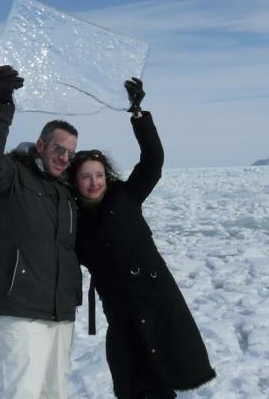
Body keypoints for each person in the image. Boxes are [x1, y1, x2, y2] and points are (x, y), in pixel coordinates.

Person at [71, 77, 216, 399]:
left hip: (158, 300)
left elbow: (152, 160)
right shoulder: (74, 220)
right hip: (121, 313)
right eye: (85, 177)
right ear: (76, 182)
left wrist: (138, 113)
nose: (94, 182)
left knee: (165, 375)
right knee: (132, 382)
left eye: (98, 174)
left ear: (106, 175)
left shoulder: (126, 196)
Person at [0, 65, 82, 399]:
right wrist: (1, 104)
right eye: (58, 148)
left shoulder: (67, 191)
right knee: (23, 392)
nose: (64, 157)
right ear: (41, 144)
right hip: (22, 308)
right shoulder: (13, 176)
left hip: (61, 311)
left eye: (71, 153)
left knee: (55, 392)